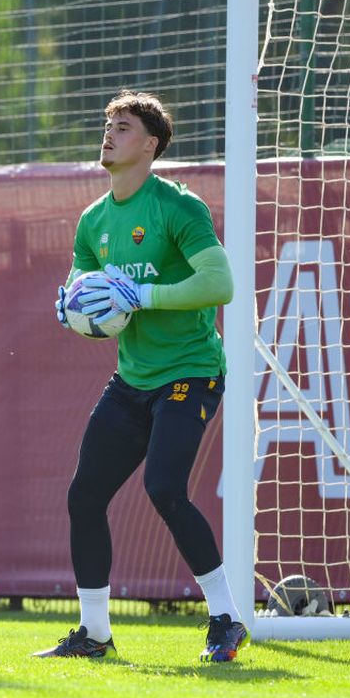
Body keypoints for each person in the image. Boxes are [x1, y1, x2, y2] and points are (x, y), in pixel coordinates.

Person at [33, 90, 247, 663]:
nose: (108, 134)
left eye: (122, 127)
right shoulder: (93, 220)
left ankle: (226, 619)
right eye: (107, 125)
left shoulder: (179, 208)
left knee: (164, 488)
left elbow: (219, 285)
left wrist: (143, 293)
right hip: (133, 379)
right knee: (85, 495)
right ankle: (95, 634)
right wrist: (73, 313)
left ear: (150, 145)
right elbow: (87, 297)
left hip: (191, 373)